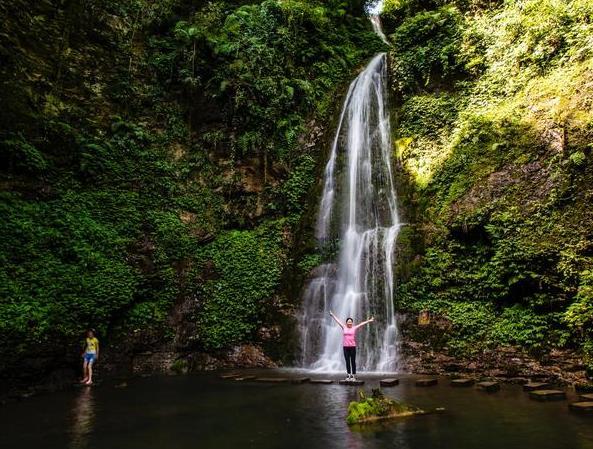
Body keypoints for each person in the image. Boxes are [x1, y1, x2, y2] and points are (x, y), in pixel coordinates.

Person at [329, 311, 374, 381]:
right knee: (347, 361)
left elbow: (362, 324)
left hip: (353, 347)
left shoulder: (354, 328)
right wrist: (332, 315)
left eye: (350, 322)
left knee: (353, 361)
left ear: (352, 323)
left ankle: (354, 375)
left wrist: (369, 320)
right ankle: (348, 375)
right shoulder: (343, 327)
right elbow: (338, 321)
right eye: (348, 321)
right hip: (345, 347)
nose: (349, 323)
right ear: (346, 322)